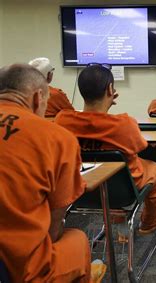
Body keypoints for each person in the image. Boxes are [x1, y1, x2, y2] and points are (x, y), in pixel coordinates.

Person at [0, 64, 90, 282]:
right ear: (38, 98)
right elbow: (55, 221)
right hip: (17, 268)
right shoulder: (57, 138)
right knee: (78, 239)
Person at [55, 65, 156, 235]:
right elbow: (141, 146)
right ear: (110, 89)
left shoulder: (62, 120)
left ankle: (118, 222)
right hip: (122, 191)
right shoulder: (124, 124)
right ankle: (149, 225)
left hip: (77, 187)